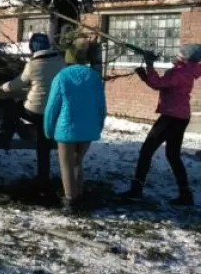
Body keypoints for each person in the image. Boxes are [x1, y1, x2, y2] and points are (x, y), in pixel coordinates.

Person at [121, 44, 201, 206]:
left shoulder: (179, 73)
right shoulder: (188, 70)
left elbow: (158, 84)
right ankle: (185, 194)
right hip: (181, 116)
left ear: (185, 57)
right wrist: (147, 73)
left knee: (146, 150)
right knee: (173, 155)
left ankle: (136, 190)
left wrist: (149, 66)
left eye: (180, 53)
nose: (176, 54)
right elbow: (161, 83)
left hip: (171, 116)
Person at [43, 40, 107, 214]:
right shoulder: (94, 77)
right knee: (78, 162)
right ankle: (80, 195)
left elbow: (52, 107)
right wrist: (98, 126)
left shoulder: (62, 76)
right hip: (88, 129)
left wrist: (48, 129)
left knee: (66, 165)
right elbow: (101, 106)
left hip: (66, 129)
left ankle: (70, 202)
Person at [1, 33, 65, 201]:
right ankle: (43, 178)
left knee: (13, 108)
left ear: (32, 48)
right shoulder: (61, 62)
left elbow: (17, 84)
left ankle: (6, 136)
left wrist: (3, 87)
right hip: (53, 112)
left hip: (34, 111)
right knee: (43, 146)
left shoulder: (33, 65)